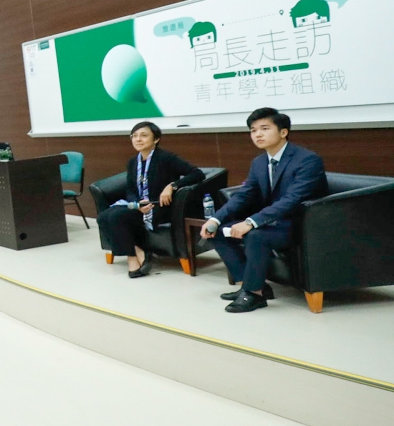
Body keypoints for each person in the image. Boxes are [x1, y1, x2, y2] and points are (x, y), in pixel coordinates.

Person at [201, 108, 327, 313]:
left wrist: (251, 222)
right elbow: (244, 195)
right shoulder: (259, 162)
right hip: (273, 221)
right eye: (253, 130)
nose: (258, 134)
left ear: (283, 132)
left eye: (265, 129)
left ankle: (254, 295)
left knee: (256, 235)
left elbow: (292, 199)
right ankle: (249, 284)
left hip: (301, 223)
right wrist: (215, 219)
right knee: (219, 232)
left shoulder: (307, 160)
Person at [95, 121, 205, 278]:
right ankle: (137, 251)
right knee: (103, 217)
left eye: (144, 135)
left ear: (156, 139)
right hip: (140, 206)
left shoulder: (166, 158)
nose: (138, 139)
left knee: (117, 216)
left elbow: (197, 174)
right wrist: (137, 204)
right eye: (134, 136)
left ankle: (133, 260)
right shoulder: (133, 162)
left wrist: (172, 186)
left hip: (159, 206)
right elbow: (131, 189)